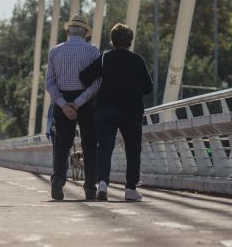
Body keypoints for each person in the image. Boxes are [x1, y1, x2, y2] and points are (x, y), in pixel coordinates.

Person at [80, 23, 153, 202]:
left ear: (112, 41)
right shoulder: (138, 60)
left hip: (105, 110)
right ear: (130, 40)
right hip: (131, 111)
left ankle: (103, 183)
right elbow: (148, 88)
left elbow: (85, 77)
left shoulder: (105, 58)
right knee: (133, 149)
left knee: (104, 148)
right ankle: (130, 188)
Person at [44, 13, 100, 201]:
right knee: (89, 145)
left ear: (68, 30)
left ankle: (58, 180)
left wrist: (63, 104)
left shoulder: (55, 51)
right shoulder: (93, 51)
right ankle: (90, 187)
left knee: (62, 145)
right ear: (85, 32)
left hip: (62, 101)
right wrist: (78, 102)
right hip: (85, 101)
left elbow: (49, 83)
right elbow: (96, 83)